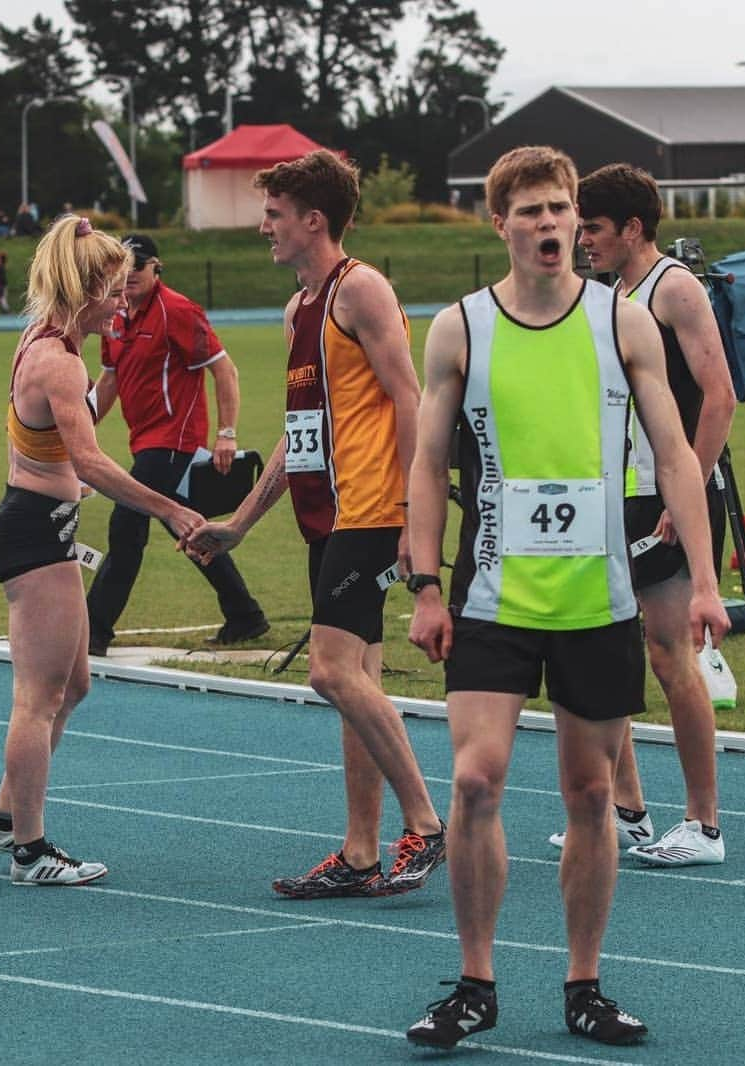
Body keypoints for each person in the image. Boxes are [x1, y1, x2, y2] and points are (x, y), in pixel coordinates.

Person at [403, 146, 728, 1048]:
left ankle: (583, 986)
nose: (550, 226)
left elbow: (672, 457)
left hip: (598, 597)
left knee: (590, 794)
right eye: (532, 211)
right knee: (476, 779)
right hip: (495, 595)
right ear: (499, 222)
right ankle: (475, 983)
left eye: (561, 210)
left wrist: (702, 579)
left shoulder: (622, 324)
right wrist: (425, 584)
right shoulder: (459, 329)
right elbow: (427, 464)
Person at [186, 150, 446, 899]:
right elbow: (302, 433)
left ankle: (426, 824)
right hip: (325, 516)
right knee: (354, 679)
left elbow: (409, 399)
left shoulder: (360, 289)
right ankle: (360, 852)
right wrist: (238, 522)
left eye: (273, 214)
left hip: (372, 511)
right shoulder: (300, 309)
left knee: (329, 671)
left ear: (313, 220)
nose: (263, 227)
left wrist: (412, 518)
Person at [0, 215, 205, 886]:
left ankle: (3, 818)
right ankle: (30, 849)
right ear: (84, 290)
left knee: (72, 684)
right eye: (112, 290)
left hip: (44, 524)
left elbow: (74, 450)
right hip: (33, 532)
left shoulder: (48, 342)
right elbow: (92, 460)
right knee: (39, 696)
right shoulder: (57, 358)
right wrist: (171, 509)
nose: (123, 301)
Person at [542, 163, 736, 867]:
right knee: (605, 645)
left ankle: (704, 824)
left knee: (667, 651)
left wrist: (687, 498)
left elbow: (719, 396)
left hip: (668, 497)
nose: (582, 241)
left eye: (591, 228)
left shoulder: (673, 288)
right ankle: (627, 811)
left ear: (632, 228)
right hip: (616, 498)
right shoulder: (609, 296)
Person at [85, 233, 268, 655]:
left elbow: (225, 371)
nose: (130, 272)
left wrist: (226, 433)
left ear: (157, 267)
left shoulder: (179, 311)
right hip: (145, 442)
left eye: (139, 264)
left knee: (125, 528)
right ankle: (245, 614)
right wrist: (83, 424)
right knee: (188, 528)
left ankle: (94, 631)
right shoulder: (114, 315)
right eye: (123, 264)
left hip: (173, 442)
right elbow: (109, 378)